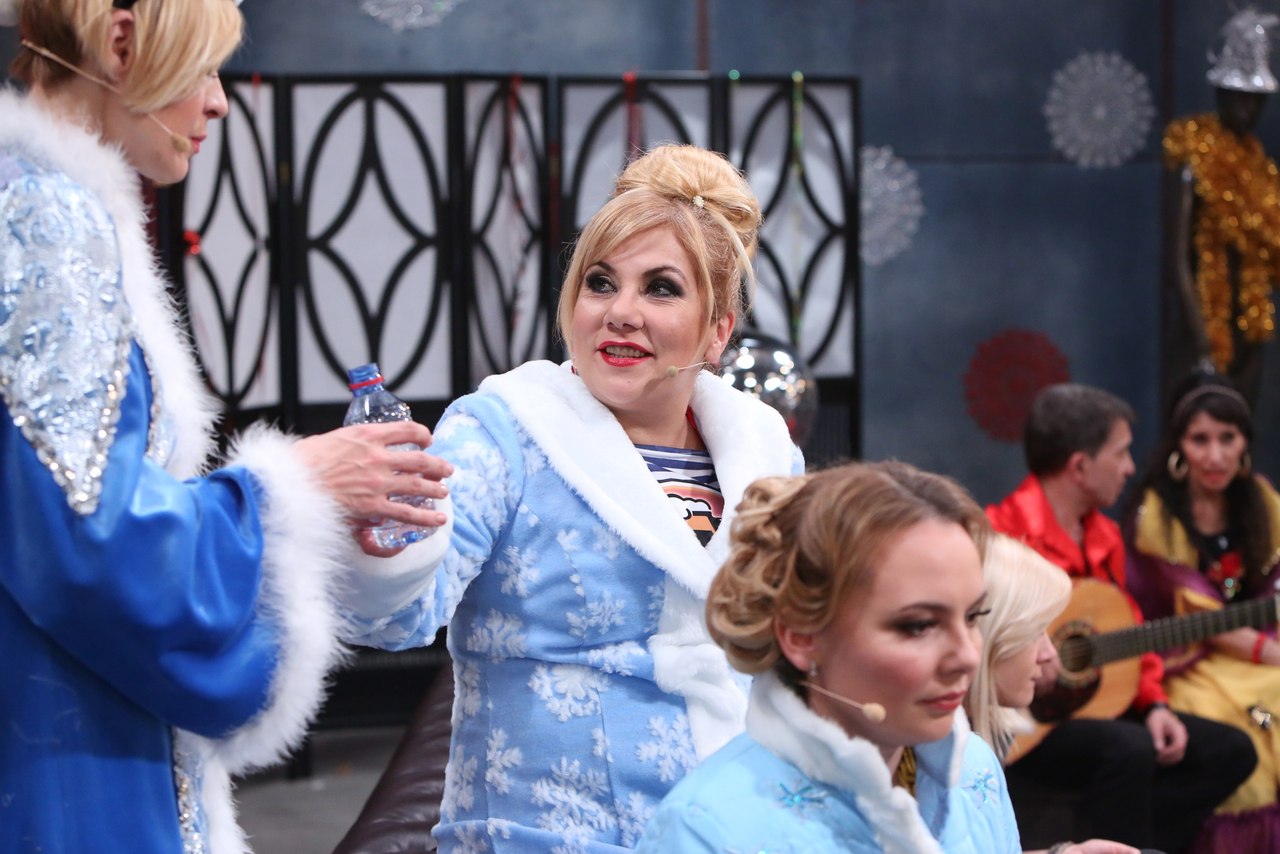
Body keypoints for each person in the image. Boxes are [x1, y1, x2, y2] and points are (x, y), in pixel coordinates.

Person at [0, 2, 453, 852]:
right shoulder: (44, 221)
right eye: (204, 66)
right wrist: (297, 488)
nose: (218, 99)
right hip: (65, 749)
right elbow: (84, 538)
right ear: (122, 44)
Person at [342, 143, 803, 851]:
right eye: (600, 282)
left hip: (730, 826)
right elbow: (398, 616)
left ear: (717, 331)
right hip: (539, 834)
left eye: (661, 289)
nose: (621, 312)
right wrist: (382, 538)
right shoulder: (504, 432)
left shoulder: (764, 449)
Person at [633, 460, 1021, 852]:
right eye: (918, 626)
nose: (967, 657)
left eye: (973, 617)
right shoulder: (705, 830)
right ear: (801, 636)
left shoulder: (974, 771)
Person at [986, 382, 1256, 852]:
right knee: (1127, 750)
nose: (1130, 467)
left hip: (1096, 706)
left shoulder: (1106, 536)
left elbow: (1129, 633)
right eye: (1121, 452)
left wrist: (1154, 706)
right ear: (1080, 466)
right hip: (1025, 722)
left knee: (1231, 751)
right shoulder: (1000, 535)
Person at [1124, 370, 1280, 852]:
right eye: (1200, 440)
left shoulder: (1262, 500)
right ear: (1179, 446)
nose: (1215, 456)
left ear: (1245, 442)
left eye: (1227, 438)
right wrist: (1270, 651)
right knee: (1238, 726)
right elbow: (1200, 619)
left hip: (1258, 651)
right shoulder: (1157, 514)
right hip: (1183, 659)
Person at [968, 534, 1140, 854]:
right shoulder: (933, 755)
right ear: (991, 635)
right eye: (1035, 632)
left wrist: (1060, 853)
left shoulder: (972, 746)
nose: (1050, 655)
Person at [1163, 9, 1280, 405]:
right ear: (1221, 95)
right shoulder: (1195, 157)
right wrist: (1201, 337)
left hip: (1248, 317)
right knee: (1198, 411)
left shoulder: (1260, 169)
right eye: (1240, 98)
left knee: (1243, 413)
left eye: (1257, 101)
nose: (1248, 111)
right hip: (1202, 316)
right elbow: (1179, 257)